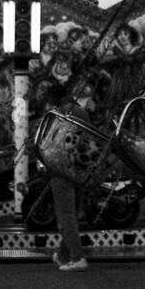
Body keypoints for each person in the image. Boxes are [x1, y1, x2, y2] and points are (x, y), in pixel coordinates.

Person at [50, 90, 96, 272]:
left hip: (61, 168)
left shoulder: (62, 114)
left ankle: (77, 258)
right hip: (79, 169)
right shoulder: (81, 113)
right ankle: (63, 255)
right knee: (72, 214)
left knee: (65, 215)